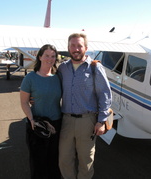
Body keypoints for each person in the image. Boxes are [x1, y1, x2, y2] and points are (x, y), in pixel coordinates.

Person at [58, 33, 112, 179]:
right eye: (73, 46)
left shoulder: (95, 67)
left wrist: (101, 121)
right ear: (68, 48)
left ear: (86, 48)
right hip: (66, 120)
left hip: (87, 121)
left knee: (86, 161)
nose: (76, 49)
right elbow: (53, 87)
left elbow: (105, 95)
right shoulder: (63, 68)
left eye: (79, 46)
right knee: (64, 160)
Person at [20, 44, 62, 179]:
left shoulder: (58, 78)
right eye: (47, 56)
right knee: (38, 163)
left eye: (53, 56)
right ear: (40, 57)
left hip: (56, 124)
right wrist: (31, 119)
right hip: (37, 125)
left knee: (54, 160)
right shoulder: (30, 78)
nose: (50, 59)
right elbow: (24, 102)